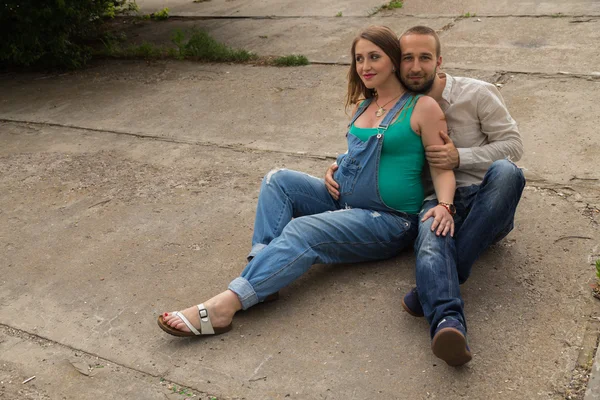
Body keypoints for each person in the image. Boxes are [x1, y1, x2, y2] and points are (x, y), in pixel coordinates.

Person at [157, 25, 456, 339]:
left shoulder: (422, 107)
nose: (365, 67)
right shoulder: (363, 106)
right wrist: (336, 165)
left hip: (389, 221)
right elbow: (358, 153)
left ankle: (225, 306)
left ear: (393, 61)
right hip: (344, 200)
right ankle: (265, 272)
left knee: (303, 229)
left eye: (374, 57)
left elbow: (441, 166)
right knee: (278, 180)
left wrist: (446, 205)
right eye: (359, 59)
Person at [325, 26, 525, 367]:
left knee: (508, 172)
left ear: (439, 61)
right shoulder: (398, 102)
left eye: (424, 58)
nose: (415, 67)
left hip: (485, 200)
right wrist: (338, 164)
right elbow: (377, 144)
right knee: (432, 237)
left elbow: (514, 146)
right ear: (396, 63)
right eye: (407, 59)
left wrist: (459, 157)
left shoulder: (476, 94)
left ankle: (437, 282)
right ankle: (448, 324)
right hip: (435, 200)